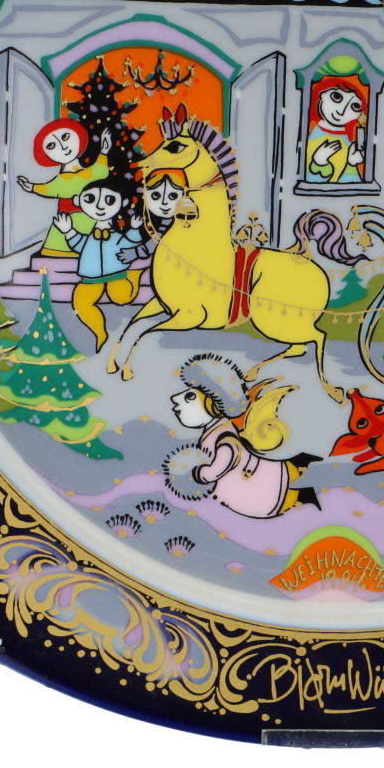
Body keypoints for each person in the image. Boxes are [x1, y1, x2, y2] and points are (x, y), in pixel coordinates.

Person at [165, 355, 320, 518]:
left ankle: (304, 482)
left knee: (276, 495)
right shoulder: (218, 429)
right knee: (281, 485)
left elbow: (228, 453)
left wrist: (205, 474)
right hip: (250, 480)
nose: (175, 399)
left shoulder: (222, 433)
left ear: (214, 403)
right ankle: (303, 478)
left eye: (190, 396)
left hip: (251, 486)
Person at [53, 175, 144, 351]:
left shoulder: (116, 236)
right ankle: (100, 334)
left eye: (109, 200)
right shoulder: (90, 237)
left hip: (117, 274)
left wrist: (133, 229)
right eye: (90, 199)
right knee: (80, 303)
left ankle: (134, 276)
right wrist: (68, 231)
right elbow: (79, 245)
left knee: (121, 297)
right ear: (79, 201)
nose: (100, 206)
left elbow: (129, 242)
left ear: (123, 202)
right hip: (90, 277)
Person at [17, 120, 110, 257]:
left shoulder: (89, 172)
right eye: (51, 145)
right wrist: (32, 187)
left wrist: (104, 152)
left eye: (65, 137)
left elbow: (100, 172)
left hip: (94, 217)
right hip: (70, 218)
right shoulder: (61, 180)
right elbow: (54, 188)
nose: (63, 146)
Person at [305, 75, 367, 183]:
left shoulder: (347, 141)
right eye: (336, 97)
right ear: (321, 95)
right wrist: (319, 161)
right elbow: (308, 181)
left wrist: (351, 164)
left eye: (355, 106)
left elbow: (349, 182)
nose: (341, 111)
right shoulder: (313, 136)